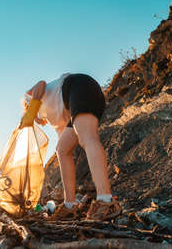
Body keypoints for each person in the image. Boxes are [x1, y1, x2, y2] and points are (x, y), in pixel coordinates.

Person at [20, 73, 121, 221]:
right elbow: (66, 143)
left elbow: (41, 84)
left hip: (79, 86)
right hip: (83, 98)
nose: (38, 121)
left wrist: (31, 109)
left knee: (88, 137)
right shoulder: (54, 118)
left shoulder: (30, 99)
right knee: (62, 150)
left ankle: (106, 201)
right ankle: (70, 205)